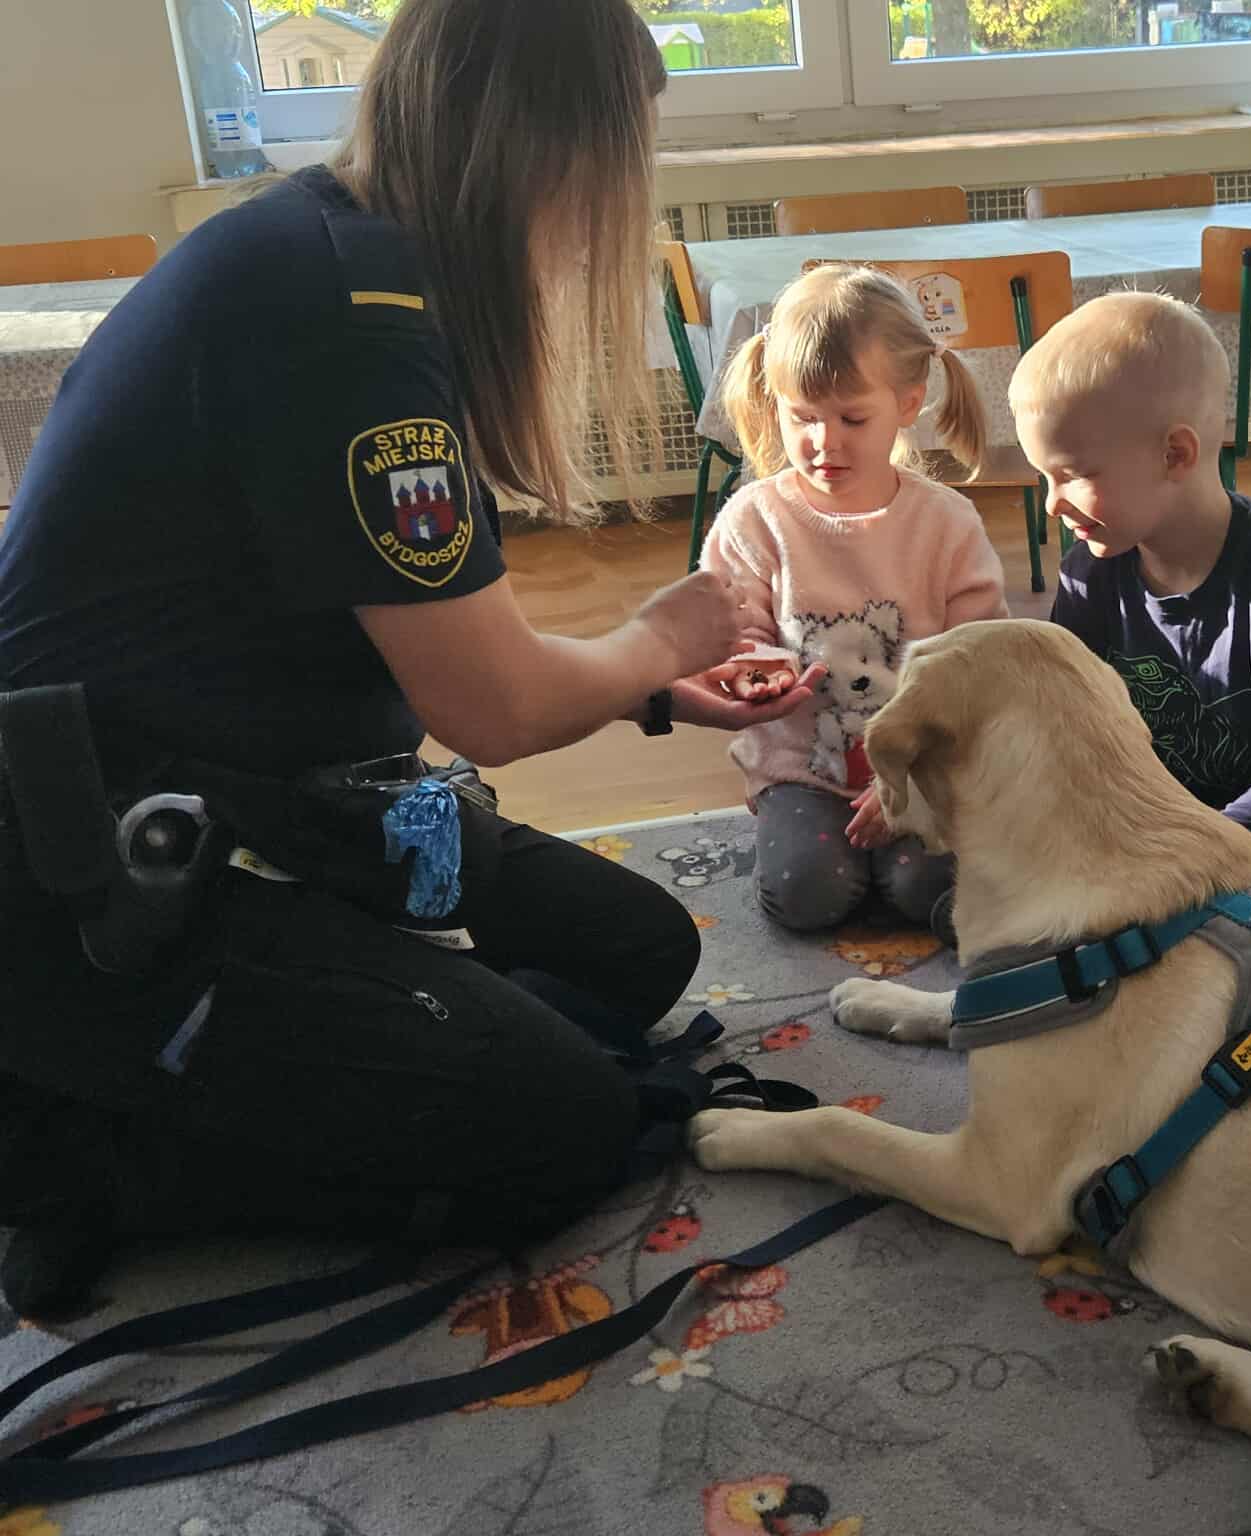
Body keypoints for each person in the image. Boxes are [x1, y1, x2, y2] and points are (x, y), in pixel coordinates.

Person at [0, 0, 817, 1315]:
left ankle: (324, 1030)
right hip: (93, 880)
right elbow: (492, 708)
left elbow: (447, 646)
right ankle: (69, 1154)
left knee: (635, 952)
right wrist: (656, 636)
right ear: (551, 151)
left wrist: (647, 686)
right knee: (567, 1124)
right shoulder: (348, 322)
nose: (593, 226)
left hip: (267, 800)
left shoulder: (330, 250)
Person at [1016, 291, 1251, 923]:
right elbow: (1066, 723)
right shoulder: (1089, 570)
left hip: (1250, 834)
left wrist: (1203, 845)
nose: (1052, 503)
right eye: (1043, 477)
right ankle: (1177, 918)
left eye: (1072, 474)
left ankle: (1154, 918)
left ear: (1176, 454)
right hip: (1134, 831)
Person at [701, 264, 1008, 936]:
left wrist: (909, 785)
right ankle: (846, 863)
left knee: (932, 890)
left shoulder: (946, 523)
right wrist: (752, 669)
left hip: (927, 767)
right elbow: (732, 635)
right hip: (804, 771)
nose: (824, 441)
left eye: (852, 418)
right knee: (807, 893)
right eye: (803, 417)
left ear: (908, 404)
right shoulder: (754, 520)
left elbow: (981, 667)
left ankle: (889, 866)